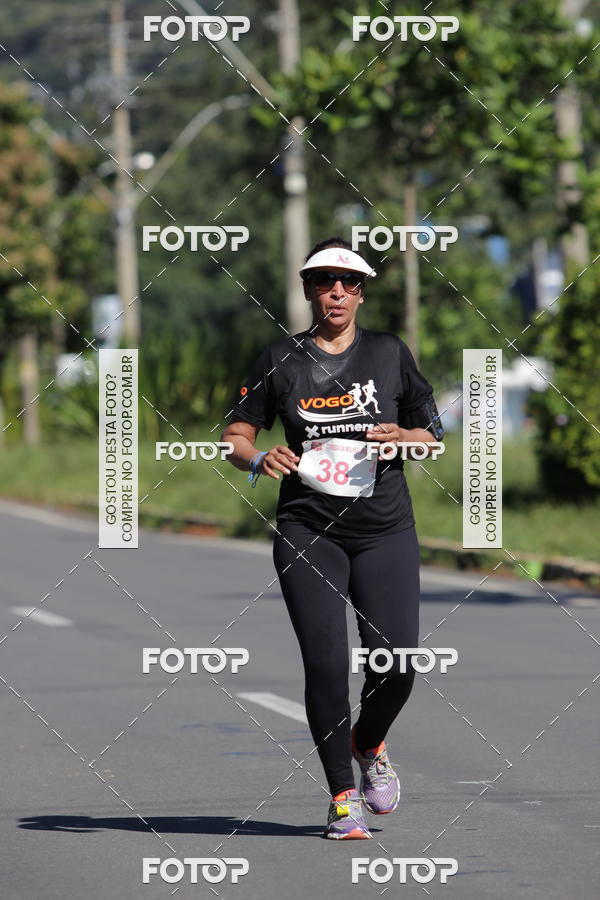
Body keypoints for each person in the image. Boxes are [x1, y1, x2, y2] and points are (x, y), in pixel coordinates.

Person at [221, 237, 444, 840]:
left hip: (384, 530)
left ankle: (368, 743)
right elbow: (236, 435)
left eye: (348, 283)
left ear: (361, 293)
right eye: (324, 282)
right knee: (324, 663)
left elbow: (432, 433)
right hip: (307, 530)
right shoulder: (280, 358)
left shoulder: (389, 353)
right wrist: (257, 458)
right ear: (308, 290)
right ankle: (342, 797)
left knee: (397, 664)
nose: (337, 292)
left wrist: (406, 437)